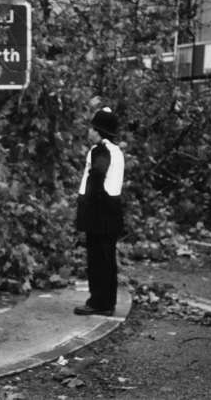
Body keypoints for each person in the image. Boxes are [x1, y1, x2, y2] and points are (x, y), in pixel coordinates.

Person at [74, 107, 125, 316]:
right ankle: (107, 301)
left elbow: (96, 176)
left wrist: (86, 210)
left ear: (98, 131)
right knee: (107, 259)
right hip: (112, 210)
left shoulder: (100, 151)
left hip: (99, 211)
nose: (89, 132)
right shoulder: (116, 150)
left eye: (92, 128)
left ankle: (98, 302)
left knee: (97, 260)